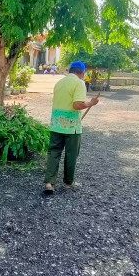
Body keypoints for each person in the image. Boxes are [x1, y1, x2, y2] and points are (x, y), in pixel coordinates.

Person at [43, 61, 99, 195]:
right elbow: (77, 105)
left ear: (71, 70)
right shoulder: (79, 83)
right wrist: (91, 103)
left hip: (56, 123)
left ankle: (49, 183)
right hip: (71, 126)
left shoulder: (59, 83)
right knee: (71, 154)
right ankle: (68, 182)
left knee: (54, 153)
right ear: (81, 72)